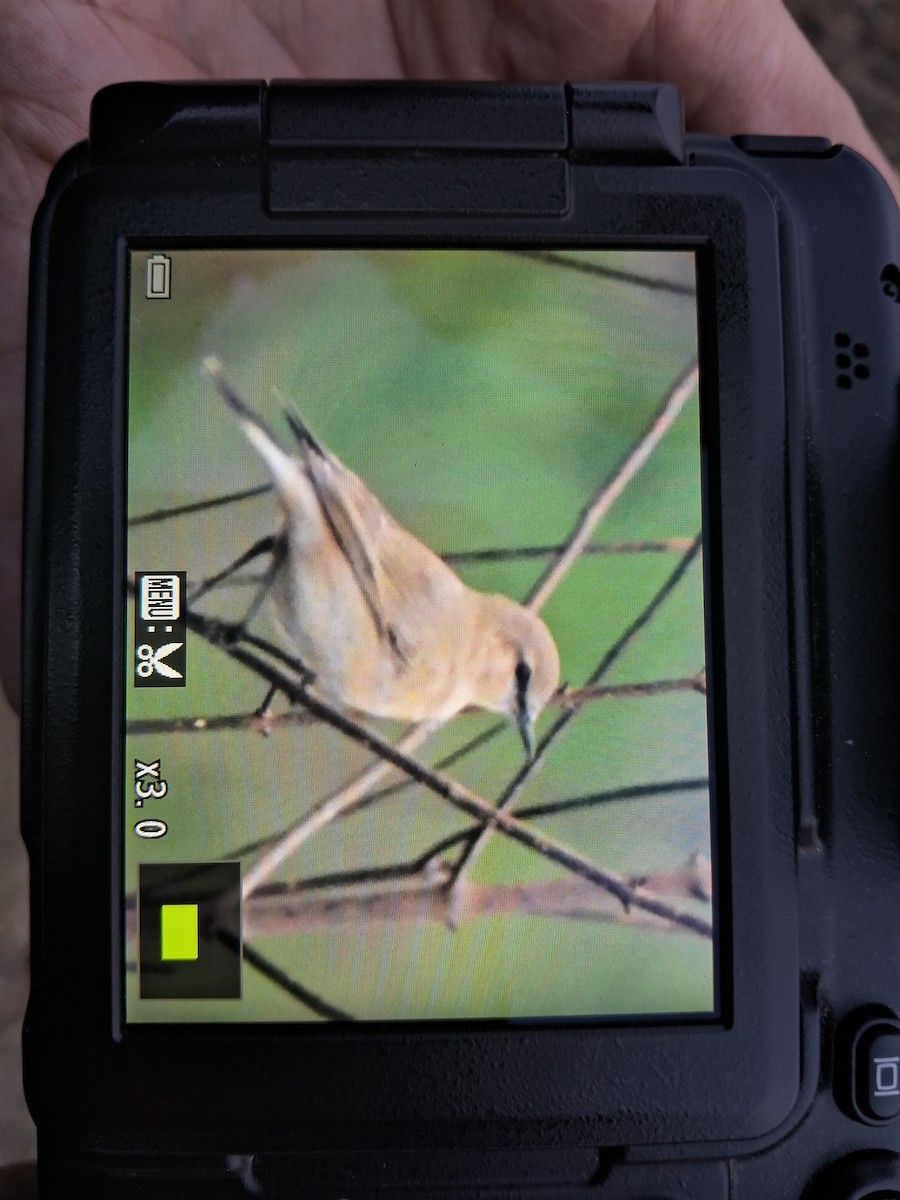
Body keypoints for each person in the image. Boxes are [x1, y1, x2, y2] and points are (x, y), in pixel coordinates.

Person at [0, 1, 897, 1193]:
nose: (518, 704)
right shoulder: (445, 645)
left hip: (314, 555)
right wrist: (188, 602)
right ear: (506, 656)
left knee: (174, 911)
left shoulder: (453, 671)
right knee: (160, 786)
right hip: (324, 544)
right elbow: (364, 552)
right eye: (527, 682)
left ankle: (172, 924)